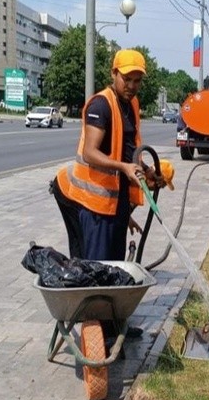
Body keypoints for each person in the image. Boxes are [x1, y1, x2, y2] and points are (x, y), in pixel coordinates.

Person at [52, 49, 166, 261]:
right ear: (113, 74)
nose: (132, 86)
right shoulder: (101, 105)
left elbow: (129, 150)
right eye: (126, 79)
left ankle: (111, 295)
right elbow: (89, 152)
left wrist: (148, 171)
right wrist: (124, 168)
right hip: (96, 204)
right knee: (97, 266)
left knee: (114, 265)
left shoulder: (132, 104)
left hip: (116, 202)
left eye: (137, 81)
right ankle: (92, 296)